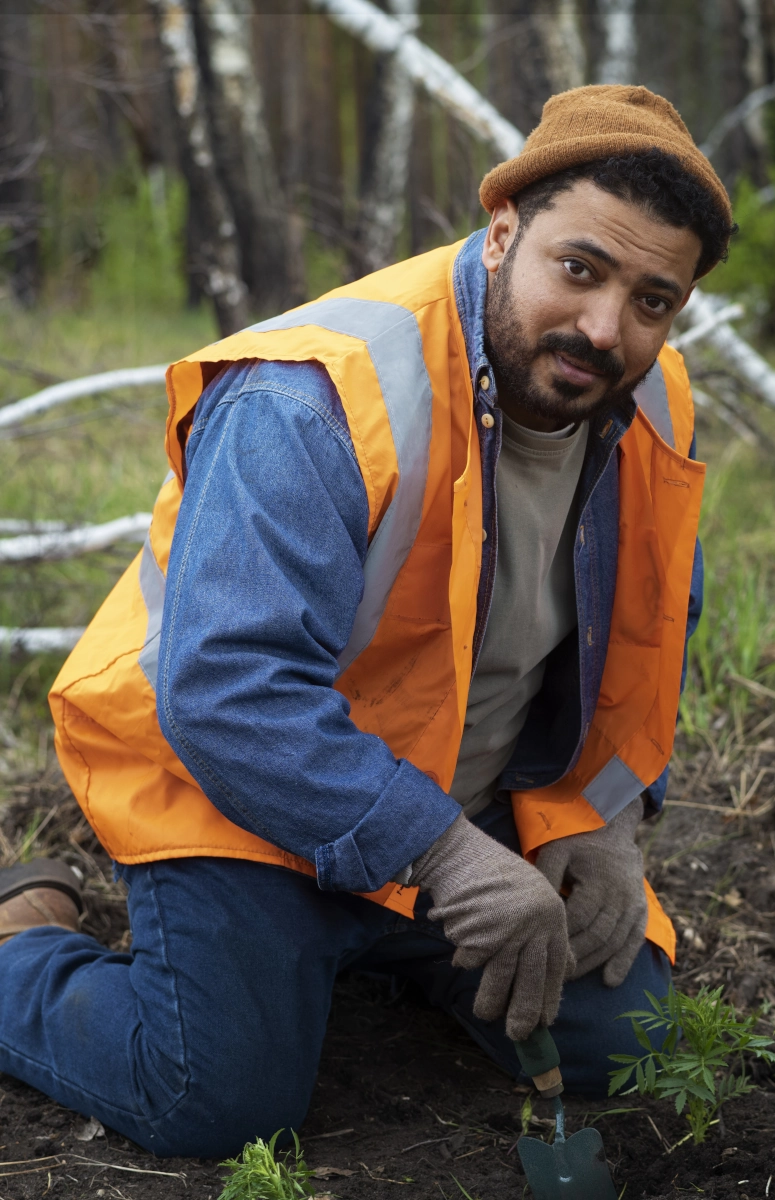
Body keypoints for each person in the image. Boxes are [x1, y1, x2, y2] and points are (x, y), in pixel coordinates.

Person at [0, 85, 732, 1158]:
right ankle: (22, 945)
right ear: (502, 230)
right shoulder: (317, 396)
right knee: (220, 1103)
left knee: (635, 1049)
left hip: (448, 806)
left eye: (653, 299)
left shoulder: (646, 399)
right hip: (237, 796)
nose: (605, 327)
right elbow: (226, 694)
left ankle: (353, 951)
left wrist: (610, 822)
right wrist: (447, 859)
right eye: (579, 269)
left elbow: (655, 618)